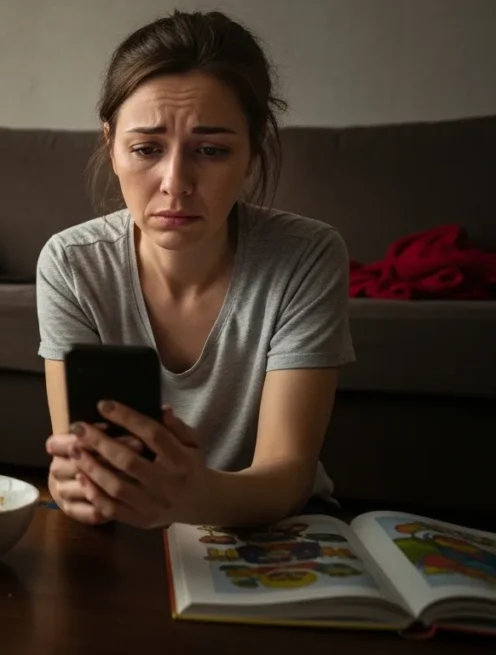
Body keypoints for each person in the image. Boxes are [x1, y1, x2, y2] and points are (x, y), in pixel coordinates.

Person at [38, 10, 354, 531]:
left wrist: (193, 497)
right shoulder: (70, 263)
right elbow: (78, 460)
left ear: (251, 153)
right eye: (146, 149)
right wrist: (73, 483)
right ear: (110, 146)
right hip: (128, 524)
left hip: (269, 525)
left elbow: (289, 475)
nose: (175, 182)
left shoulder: (307, 256)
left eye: (211, 150)